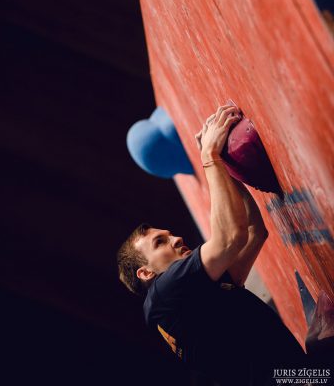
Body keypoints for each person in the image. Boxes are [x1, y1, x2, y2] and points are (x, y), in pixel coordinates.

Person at [117, 104, 308, 386]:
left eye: (168, 235)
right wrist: (209, 157)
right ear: (145, 272)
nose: (176, 239)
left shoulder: (193, 298)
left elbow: (254, 233)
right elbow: (231, 238)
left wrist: (227, 170)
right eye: (160, 242)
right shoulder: (163, 294)